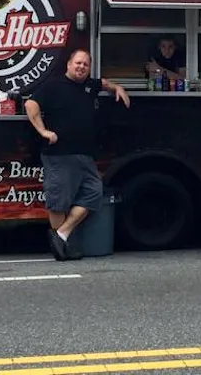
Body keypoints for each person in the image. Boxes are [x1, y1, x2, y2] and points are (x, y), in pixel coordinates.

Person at [24, 48, 131, 260]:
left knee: (94, 193)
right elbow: (30, 104)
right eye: (78, 63)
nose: (81, 67)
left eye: (85, 64)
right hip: (59, 154)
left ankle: (61, 235)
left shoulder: (90, 85)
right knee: (59, 202)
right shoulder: (54, 86)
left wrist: (118, 88)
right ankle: (62, 248)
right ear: (69, 64)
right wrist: (43, 131)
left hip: (85, 155)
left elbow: (104, 83)